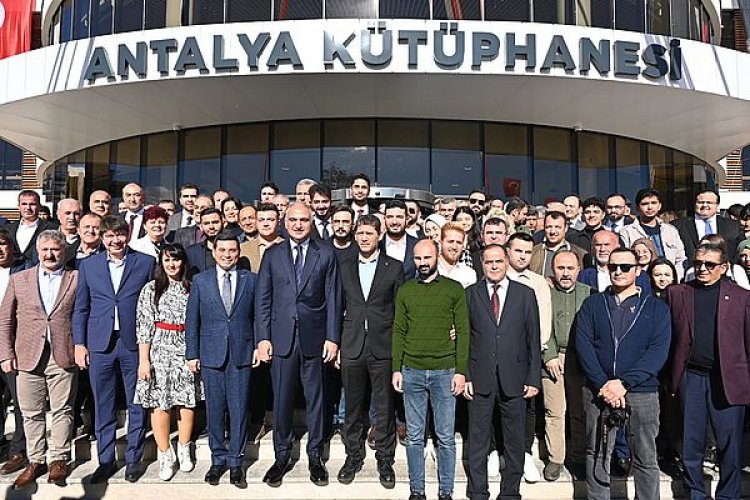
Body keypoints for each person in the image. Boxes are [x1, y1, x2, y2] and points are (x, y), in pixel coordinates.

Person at [255, 202, 342, 487]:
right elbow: (263, 298)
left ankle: (315, 455)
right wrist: (263, 337)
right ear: (284, 222)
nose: (298, 224)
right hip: (280, 338)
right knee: (281, 399)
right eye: (293, 219)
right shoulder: (273, 254)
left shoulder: (325, 253)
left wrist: (332, 338)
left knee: (316, 399)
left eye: (303, 220)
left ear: (311, 222)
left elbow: (333, 299)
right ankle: (282, 455)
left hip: (314, 338)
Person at [575, 248, 671, 500]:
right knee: (597, 453)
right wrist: (604, 384)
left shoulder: (656, 309)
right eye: (613, 266)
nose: (618, 271)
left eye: (625, 267)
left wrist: (624, 383)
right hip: (599, 390)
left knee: (645, 456)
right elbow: (584, 346)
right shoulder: (592, 304)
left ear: (638, 270)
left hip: (642, 392)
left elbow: (657, 352)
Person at [72, 215, 155, 483]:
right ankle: (106, 461)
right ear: (102, 237)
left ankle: (133, 460)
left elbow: (152, 305)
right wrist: (80, 344)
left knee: (137, 402)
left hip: (134, 343)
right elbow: (81, 307)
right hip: (100, 344)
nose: (115, 240)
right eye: (109, 236)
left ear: (127, 235)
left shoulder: (145, 262)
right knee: (103, 404)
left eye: (119, 234)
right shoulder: (89, 266)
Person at [666, 242, 750, 500]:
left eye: (709, 264)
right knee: (691, 442)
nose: (702, 268)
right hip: (691, 377)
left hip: (728, 379)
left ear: (723, 268)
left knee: (729, 445)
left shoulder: (741, 297)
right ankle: (695, 493)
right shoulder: (678, 293)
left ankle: (728, 495)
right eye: (698, 263)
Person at [392, 239, 469, 500]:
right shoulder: (405, 290)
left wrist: (461, 371)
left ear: (437, 256)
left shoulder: (454, 289)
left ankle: (446, 491)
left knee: (445, 437)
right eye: (418, 258)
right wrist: (396, 368)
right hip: (412, 370)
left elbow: (463, 331)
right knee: (414, 437)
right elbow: (399, 330)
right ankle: (417, 490)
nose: (423, 262)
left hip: (444, 371)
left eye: (427, 257)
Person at [0, 231, 78, 489]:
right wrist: (5, 354)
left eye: (55, 249)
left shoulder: (76, 278)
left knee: (62, 409)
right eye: (45, 250)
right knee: (31, 412)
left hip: (62, 352)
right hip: (26, 355)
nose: (50, 255)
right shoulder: (19, 279)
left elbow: (82, 313)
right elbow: (5, 320)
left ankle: (59, 459)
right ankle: (36, 460)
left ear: (63, 251)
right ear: (37, 251)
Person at [464, 244, 541, 500]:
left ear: (507, 262)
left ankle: (510, 493)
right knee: (478, 441)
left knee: (514, 442)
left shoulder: (525, 294)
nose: (494, 266)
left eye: (498, 261)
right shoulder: (471, 294)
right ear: (482, 264)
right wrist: (466, 375)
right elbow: (465, 338)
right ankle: (478, 492)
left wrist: (533, 378)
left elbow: (532, 338)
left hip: (515, 378)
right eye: (489, 262)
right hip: (480, 378)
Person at [337, 215, 404, 487]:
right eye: (360, 233)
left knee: (385, 407)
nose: (364, 238)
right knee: (352, 406)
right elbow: (337, 307)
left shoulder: (394, 267)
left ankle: (385, 459)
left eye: (369, 233)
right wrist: (336, 343)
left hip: (383, 345)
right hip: (351, 345)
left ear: (379, 235)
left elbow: (400, 312)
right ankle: (353, 456)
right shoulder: (344, 266)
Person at [185, 232, 256, 487]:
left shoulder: (251, 279)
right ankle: (218, 460)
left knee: (239, 410)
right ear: (214, 253)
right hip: (210, 354)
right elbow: (192, 320)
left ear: (239, 253)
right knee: (214, 410)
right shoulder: (200, 281)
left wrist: (258, 345)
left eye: (232, 250)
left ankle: (236, 462)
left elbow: (257, 316)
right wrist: (192, 353)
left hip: (241, 353)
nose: (227, 255)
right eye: (222, 250)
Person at [135, 244, 203, 481]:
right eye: (167, 260)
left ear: (183, 262)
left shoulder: (192, 287)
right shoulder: (151, 289)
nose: (172, 264)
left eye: (176, 260)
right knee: (160, 403)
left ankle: (184, 447)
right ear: (161, 263)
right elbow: (144, 326)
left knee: (186, 401)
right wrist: (144, 360)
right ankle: (165, 453)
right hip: (160, 347)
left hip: (186, 346)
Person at [504, 231, 550, 483]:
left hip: (526, 354)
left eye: (527, 252)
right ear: (508, 251)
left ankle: (524, 452)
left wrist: (534, 352)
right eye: (518, 250)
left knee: (527, 405)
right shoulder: (494, 274)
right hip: (497, 353)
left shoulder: (537, 282)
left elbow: (542, 322)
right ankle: (497, 450)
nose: (522, 256)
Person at [541, 250, 591, 482]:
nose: (566, 273)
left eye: (570, 268)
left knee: (579, 411)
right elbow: (543, 326)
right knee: (555, 411)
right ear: (553, 270)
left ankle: (579, 457)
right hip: (554, 358)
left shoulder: (589, 293)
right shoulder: (546, 294)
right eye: (561, 268)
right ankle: (556, 459)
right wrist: (549, 355)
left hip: (580, 360)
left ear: (578, 270)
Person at [0, 230, 30, 475]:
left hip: (15, 343)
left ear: (11, 246)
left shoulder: (24, 271)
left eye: (3, 244)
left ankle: (19, 449)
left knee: (20, 399)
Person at [619, 189, 687, 281]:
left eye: (653, 203)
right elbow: (626, 260)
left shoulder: (671, 230)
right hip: (642, 281)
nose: (650, 207)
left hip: (669, 280)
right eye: (645, 204)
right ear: (637, 208)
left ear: (659, 206)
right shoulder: (627, 232)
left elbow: (680, 259)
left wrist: (675, 278)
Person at [673, 189, 742, 263]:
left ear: (717, 205)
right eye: (700, 202)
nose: (705, 205)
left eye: (709, 202)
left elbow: (739, 252)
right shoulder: (678, 226)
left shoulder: (733, 226)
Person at [578, 230, 652, 294]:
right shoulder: (584, 276)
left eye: (607, 244)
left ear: (617, 246)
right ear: (593, 249)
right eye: (598, 245)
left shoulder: (639, 275)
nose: (602, 249)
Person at [529, 211, 586, 278]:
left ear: (565, 228)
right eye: (549, 227)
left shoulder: (580, 254)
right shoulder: (533, 252)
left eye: (557, 227)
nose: (552, 231)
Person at [8, 190, 57, 263]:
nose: (28, 208)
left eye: (32, 204)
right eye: (24, 204)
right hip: (13, 268)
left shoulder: (52, 228)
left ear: (39, 207)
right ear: (19, 207)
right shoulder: (8, 229)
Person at [240, 204, 284, 273]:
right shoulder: (243, 249)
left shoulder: (288, 247)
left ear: (278, 222)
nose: (265, 224)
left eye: (270, 220)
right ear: (256, 222)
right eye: (261, 220)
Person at [380, 200, 419, 279]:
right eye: (390, 217)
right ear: (384, 218)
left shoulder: (417, 244)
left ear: (407, 218)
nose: (394, 222)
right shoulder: (378, 245)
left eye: (399, 217)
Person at [185, 208, 225, 274]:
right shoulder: (191, 252)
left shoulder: (234, 249)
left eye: (215, 222)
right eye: (206, 223)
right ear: (201, 227)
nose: (211, 227)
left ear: (223, 222)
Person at [437, 223, 476, 288]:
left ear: (463, 246)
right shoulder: (431, 269)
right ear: (441, 242)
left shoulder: (469, 274)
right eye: (450, 242)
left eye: (459, 243)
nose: (454, 247)